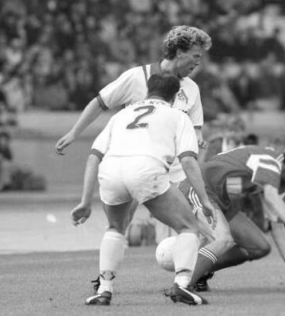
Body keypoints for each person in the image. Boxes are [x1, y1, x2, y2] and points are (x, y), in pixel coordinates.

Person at [70, 73, 216, 306]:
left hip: (111, 171)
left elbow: (93, 157)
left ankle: (104, 289)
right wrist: (205, 200)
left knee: (115, 228)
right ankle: (182, 285)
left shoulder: (121, 115)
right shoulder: (178, 116)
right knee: (188, 226)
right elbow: (188, 161)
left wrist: (85, 202)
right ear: (175, 95)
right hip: (147, 169)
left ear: (148, 90)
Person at [55, 25, 212, 164]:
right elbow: (100, 103)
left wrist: (197, 138)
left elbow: (196, 129)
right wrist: (74, 133)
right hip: (135, 165)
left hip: (174, 173)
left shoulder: (192, 89)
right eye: (196, 56)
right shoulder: (137, 76)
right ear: (179, 52)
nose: (198, 63)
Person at [181, 139, 285, 293]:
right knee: (224, 239)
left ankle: (200, 271)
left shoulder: (275, 177)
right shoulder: (270, 161)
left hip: (222, 200)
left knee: (259, 247)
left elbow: (277, 226)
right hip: (200, 190)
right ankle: (182, 286)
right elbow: (271, 197)